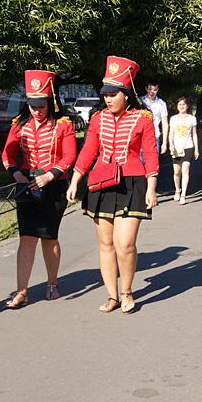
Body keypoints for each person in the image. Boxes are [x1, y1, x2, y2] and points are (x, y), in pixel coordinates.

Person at [67, 56, 158, 314]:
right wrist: (75, 180)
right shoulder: (97, 118)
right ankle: (112, 295)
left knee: (125, 243)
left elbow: (150, 154)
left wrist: (151, 187)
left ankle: (127, 292)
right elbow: (87, 152)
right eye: (105, 93)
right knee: (105, 244)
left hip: (132, 182)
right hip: (101, 182)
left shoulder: (143, 118)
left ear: (126, 94)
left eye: (113, 93)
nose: (108, 98)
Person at [1, 70, 77, 309]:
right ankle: (22, 291)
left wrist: (50, 175)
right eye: (32, 105)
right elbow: (7, 154)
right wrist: (15, 173)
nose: (36, 110)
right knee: (26, 238)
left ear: (50, 102)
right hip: (26, 185)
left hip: (53, 186)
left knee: (48, 237)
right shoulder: (19, 124)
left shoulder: (63, 125)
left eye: (40, 105)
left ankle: (52, 284)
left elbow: (69, 156)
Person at [168, 96, 199, 204]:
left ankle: (183, 195)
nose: (182, 106)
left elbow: (194, 134)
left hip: (188, 147)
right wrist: (170, 144)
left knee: (185, 169)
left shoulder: (192, 118)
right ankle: (177, 190)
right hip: (177, 148)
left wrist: (196, 149)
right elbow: (171, 133)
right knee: (177, 172)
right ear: (177, 106)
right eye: (180, 104)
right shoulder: (173, 119)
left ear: (187, 106)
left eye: (184, 104)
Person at [140, 81, 168, 157]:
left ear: (157, 89)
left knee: (153, 163)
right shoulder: (140, 101)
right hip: (141, 136)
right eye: (149, 89)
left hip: (155, 135)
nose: (152, 92)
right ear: (146, 89)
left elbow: (165, 123)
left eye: (154, 90)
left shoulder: (161, 103)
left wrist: (164, 143)